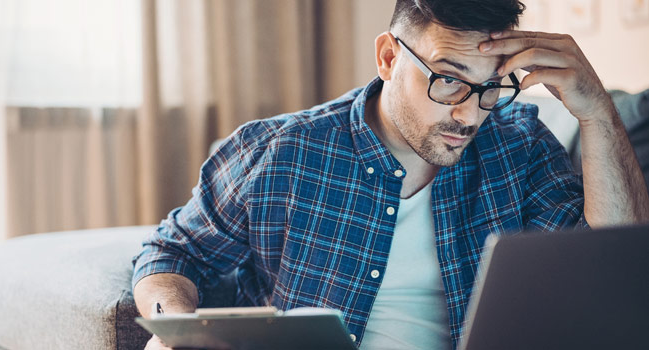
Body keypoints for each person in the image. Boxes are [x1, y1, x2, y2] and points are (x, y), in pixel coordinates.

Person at [132, 0, 649, 349]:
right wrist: (176, 333)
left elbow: (616, 275)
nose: (469, 115)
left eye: (491, 87)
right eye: (448, 81)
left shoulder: (521, 147)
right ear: (387, 57)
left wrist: (597, 111)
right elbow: (172, 253)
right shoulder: (279, 151)